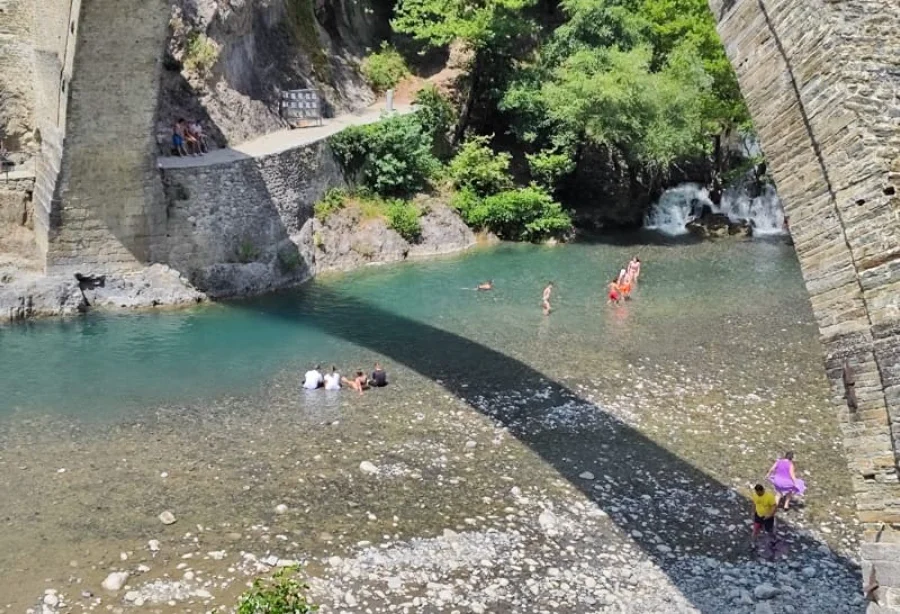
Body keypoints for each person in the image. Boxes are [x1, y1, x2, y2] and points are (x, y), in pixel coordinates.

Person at [750, 483, 778, 550]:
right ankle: (753, 543)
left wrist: (770, 515)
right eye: (757, 493)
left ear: (762, 490)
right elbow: (754, 503)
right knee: (755, 530)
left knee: (769, 530)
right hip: (758, 515)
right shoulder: (755, 495)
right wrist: (752, 512)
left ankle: (773, 539)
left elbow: (774, 506)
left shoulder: (769, 496)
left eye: (759, 493)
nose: (758, 494)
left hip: (768, 517)